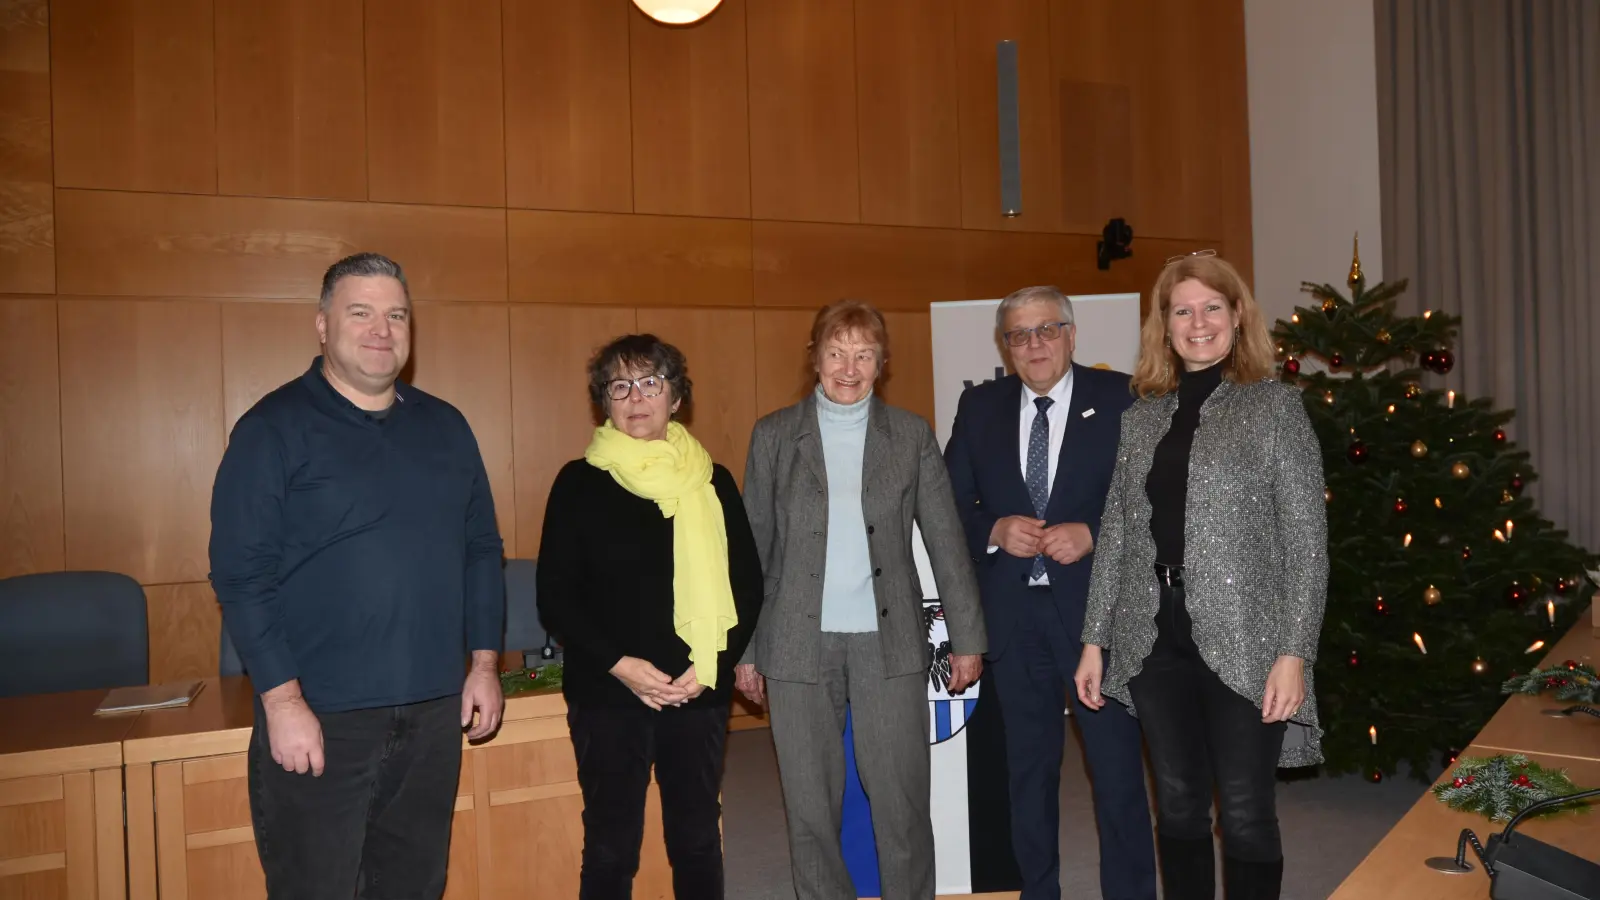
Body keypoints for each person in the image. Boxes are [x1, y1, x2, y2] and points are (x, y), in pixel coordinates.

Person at [209, 252, 505, 900]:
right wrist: (283, 704)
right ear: (322, 325)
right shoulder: (271, 430)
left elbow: (482, 550)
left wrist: (483, 665)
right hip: (321, 717)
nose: (382, 329)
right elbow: (242, 576)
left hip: (432, 717)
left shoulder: (447, 428)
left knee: (415, 885)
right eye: (361, 313)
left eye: (396, 315)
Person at [1074, 251, 1327, 900]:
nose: (1198, 322)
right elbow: (1117, 536)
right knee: (1180, 808)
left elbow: (1307, 547)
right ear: (1164, 324)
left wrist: (1294, 653)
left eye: (1212, 307)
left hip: (1248, 638)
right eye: (1182, 310)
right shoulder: (1142, 417)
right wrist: (1094, 640)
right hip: (1154, 638)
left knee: (1245, 815)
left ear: (1238, 315)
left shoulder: (1274, 410)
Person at [737, 299, 986, 900]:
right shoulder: (773, 436)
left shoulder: (910, 435)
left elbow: (948, 541)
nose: (848, 367)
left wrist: (969, 639)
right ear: (814, 359)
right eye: (835, 353)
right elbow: (751, 551)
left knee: (901, 803)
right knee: (810, 808)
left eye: (864, 354)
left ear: (881, 364)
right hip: (795, 647)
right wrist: (745, 650)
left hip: (891, 645)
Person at [943, 286, 1157, 900]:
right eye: (1018, 334)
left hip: (1098, 620)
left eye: (1045, 330)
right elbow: (949, 503)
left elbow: (1148, 500)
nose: (1033, 344)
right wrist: (994, 528)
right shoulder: (979, 407)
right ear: (1004, 346)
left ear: (1070, 334)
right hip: (1014, 619)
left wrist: (1093, 535)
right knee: (1027, 776)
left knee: (1116, 773)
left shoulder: (1121, 400)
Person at [537, 334, 763, 900]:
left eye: (651, 383)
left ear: (676, 397)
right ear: (604, 402)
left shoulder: (713, 481)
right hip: (608, 692)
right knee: (612, 846)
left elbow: (749, 586)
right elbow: (555, 595)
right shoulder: (579, 482)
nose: (636, 398)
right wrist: (621, 665)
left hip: (698, 689)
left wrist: (714, 665)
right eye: (620, 386)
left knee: (696, 841)